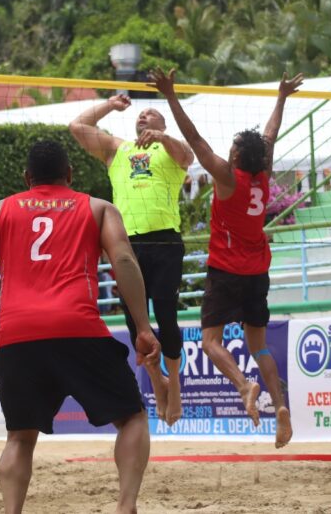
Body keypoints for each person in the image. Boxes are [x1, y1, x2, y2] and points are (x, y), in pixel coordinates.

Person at [0, 140, 161, 514]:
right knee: (131, 417)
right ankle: (126, 504)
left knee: (19, 437)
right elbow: (124, 258)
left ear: (27, 177)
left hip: (18, 335)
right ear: (70, 174)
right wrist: (143, 327)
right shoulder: (98, 208)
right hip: (78, 327)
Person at [149, 67, 301, 449]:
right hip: (257, 272)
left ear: (235, 155)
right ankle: (280, 409)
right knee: (260, 346)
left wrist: (170, 94)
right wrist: (281, 96)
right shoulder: (262, 173)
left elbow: (195, 138)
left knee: (209, 343)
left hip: (226, 271)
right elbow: (271, 133)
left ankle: (243, 385)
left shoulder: (226, 176)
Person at [70, 93, 193, 424]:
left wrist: (164, 136)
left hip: (165, 239)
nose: (144, 116)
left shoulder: (169, 149)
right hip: (126, 244)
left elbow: (187, 155)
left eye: (152, 113)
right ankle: (157, 381)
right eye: (141, 114)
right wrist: (110, 105)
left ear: (162, 124)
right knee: (134, 321)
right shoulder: (119, 149)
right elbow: (77, 126)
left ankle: (175, 387)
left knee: (166, 311)